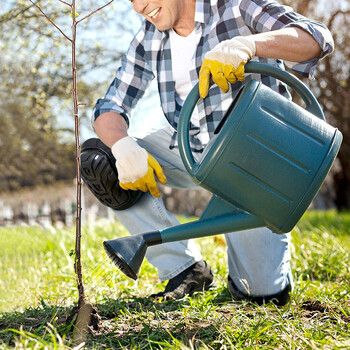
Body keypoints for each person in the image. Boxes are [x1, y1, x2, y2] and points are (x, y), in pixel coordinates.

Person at [91, 0, 334, 304]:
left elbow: (316, 37)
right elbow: (109, 106)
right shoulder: (148, 38)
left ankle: (258, 278)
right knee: (100, 160)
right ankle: (183, 269)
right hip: (189, 152)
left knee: (260, 296)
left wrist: (248, 44)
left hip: (253, 162)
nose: (140, 6)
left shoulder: (236, 6)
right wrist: (122, 146)